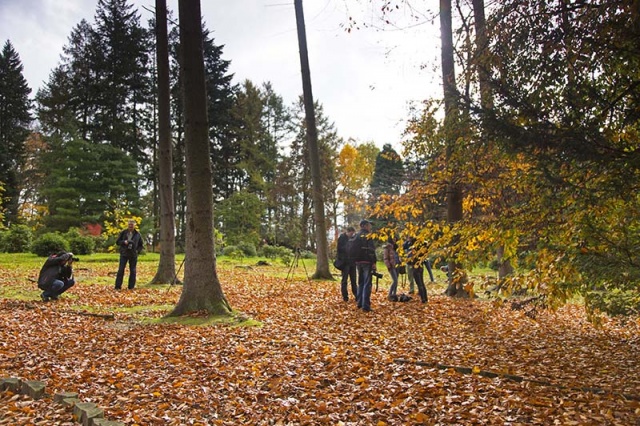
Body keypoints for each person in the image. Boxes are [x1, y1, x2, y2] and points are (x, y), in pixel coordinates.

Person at [354, 219, 377, 312]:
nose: (370, 227)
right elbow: (371, 250)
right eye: (368, 225)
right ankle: (366, 306)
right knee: (367, 284)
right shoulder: (368, 236)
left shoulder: (356, 236)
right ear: (364, 226)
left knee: (361, 283)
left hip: (358, 262)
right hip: (367, 262)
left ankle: (359, 303)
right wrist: (374, 262)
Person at [115, 219, 144, 290]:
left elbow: (141, 245)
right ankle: (118, 286)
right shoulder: (123, 232)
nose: (130, 226)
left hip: (133, 255)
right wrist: (124, 242)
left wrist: (137, 251)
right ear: (127, 225)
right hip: (124, 254)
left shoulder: (138, 234)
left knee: (133, 271)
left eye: (132, 225)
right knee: (121, 270)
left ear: (134, 226)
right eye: (129, 225)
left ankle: (131, 287)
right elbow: (117, 242)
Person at [336, 226, 357, 302]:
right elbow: (339, 250)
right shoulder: (342, 238)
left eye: (353, 234)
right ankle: (345, 296)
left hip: (352, 262)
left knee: (353, 280)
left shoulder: (352, 239)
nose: (352, 235)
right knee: (344, 280)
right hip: (345, 263)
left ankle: (356, 295)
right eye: (351, 233)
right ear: (348, 232)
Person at [406, 237, 428, 303]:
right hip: (420, 266)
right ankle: (425, 298)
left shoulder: (413, 249)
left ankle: (423, 299)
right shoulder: (422, 249)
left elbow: (411, 259)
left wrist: (408, 261)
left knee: (419, 283)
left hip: (415, 267)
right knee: (422, 282)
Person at [383, 237, 399, 301]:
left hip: (397, 265)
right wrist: (388, 265)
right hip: (392, 266)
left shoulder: (396, 246)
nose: (395, 240)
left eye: (395, 238)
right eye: (393, 239)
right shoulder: (387, 247)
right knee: (395, 280)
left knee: (396, 281)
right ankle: (390, 294)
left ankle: (394, 294)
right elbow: (385, 258)